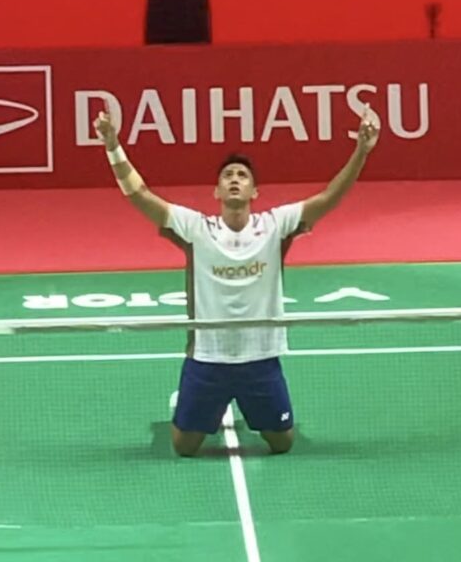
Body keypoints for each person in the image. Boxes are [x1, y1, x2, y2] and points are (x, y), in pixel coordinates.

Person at [94, 105, 379, 456]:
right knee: (184, 447)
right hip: (208, 357)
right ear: (216, 192)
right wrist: (112, 145)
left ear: (254, 191)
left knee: (282, 443)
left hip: (260, 356)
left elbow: (329, 198)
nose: (234, 179)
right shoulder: (197, 229)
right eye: (227, 175)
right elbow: (139, 194)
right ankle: (206, 408)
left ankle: (237, 408)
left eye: (242, 175)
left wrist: (361, 152)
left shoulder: (275, 226)